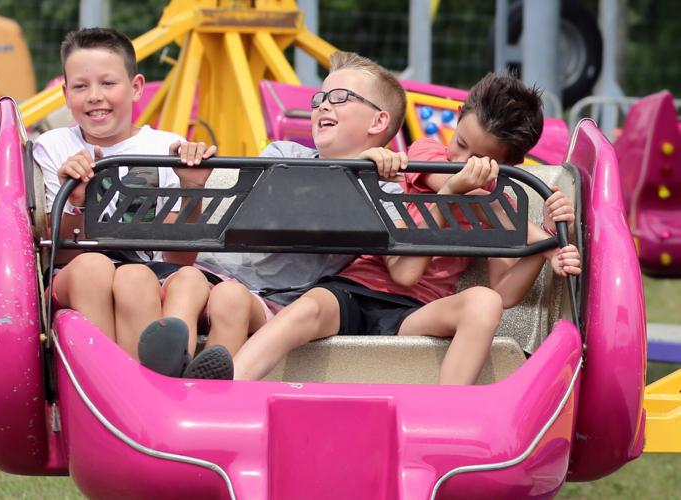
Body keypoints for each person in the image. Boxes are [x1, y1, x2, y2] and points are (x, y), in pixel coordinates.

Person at [230, 72, 581, 385]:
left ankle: (447, 419)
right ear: (456, 121)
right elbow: (442, 197)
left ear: (505, 164)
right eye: (459, 143)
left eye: (475, 158)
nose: (458, 160)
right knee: (307, 310)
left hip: (414, 312)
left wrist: (541, 247)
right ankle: (226, 385)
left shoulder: (500, 207)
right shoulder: (428, 154)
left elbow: (504, 292)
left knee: (485, 302)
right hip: (357, 288)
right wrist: (537, 236)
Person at [139, 51, 410, 376]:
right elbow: (282, 204)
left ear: (379, 121)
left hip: (268, 297)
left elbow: (397, 261)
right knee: (186, 280)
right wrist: (191, 188)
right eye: (320, 98)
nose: (323, 105)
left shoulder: (384, 190)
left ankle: (207, 386)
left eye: (340, 98)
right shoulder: (283, 153)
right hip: (206, 272)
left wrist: (363, 173)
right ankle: (169, 363)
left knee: (231, 299)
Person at [33, 27, 230, 379]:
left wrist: (191, 191)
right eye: (81, 86)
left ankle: (140, 386)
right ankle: (108, 385)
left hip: (143, 274)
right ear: (65, 94)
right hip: (74, 272)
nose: (94, 96)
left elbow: (178, 258)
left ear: (136, 87)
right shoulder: (54, 146)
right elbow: (57, 253)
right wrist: (78, 204)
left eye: (108, 84)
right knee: (95, 268)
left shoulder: (166, 147)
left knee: (136, 276)